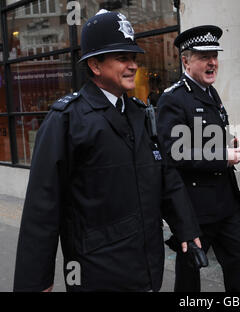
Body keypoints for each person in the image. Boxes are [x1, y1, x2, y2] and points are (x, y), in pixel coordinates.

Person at [13, 10, 201, 292]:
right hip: (98, 273)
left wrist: (186, 226)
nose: (133, 66)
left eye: (134, 58)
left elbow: (166, 177)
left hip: (147, 265)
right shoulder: (66, 120)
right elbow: (42, 207)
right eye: (122, 58)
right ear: (95, 66)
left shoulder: (140, 114)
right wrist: (35, 281)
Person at [156, 25, 240, 292]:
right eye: (203, 56)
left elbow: (207, 134)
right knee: (189, 279)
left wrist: (229, 141)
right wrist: (222, 156)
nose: (212, 62)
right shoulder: (173, 99)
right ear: (186, 60)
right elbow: (174, 152)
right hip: (196, 209)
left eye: (214, 55)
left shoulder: (210, 91)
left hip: (227, 203)